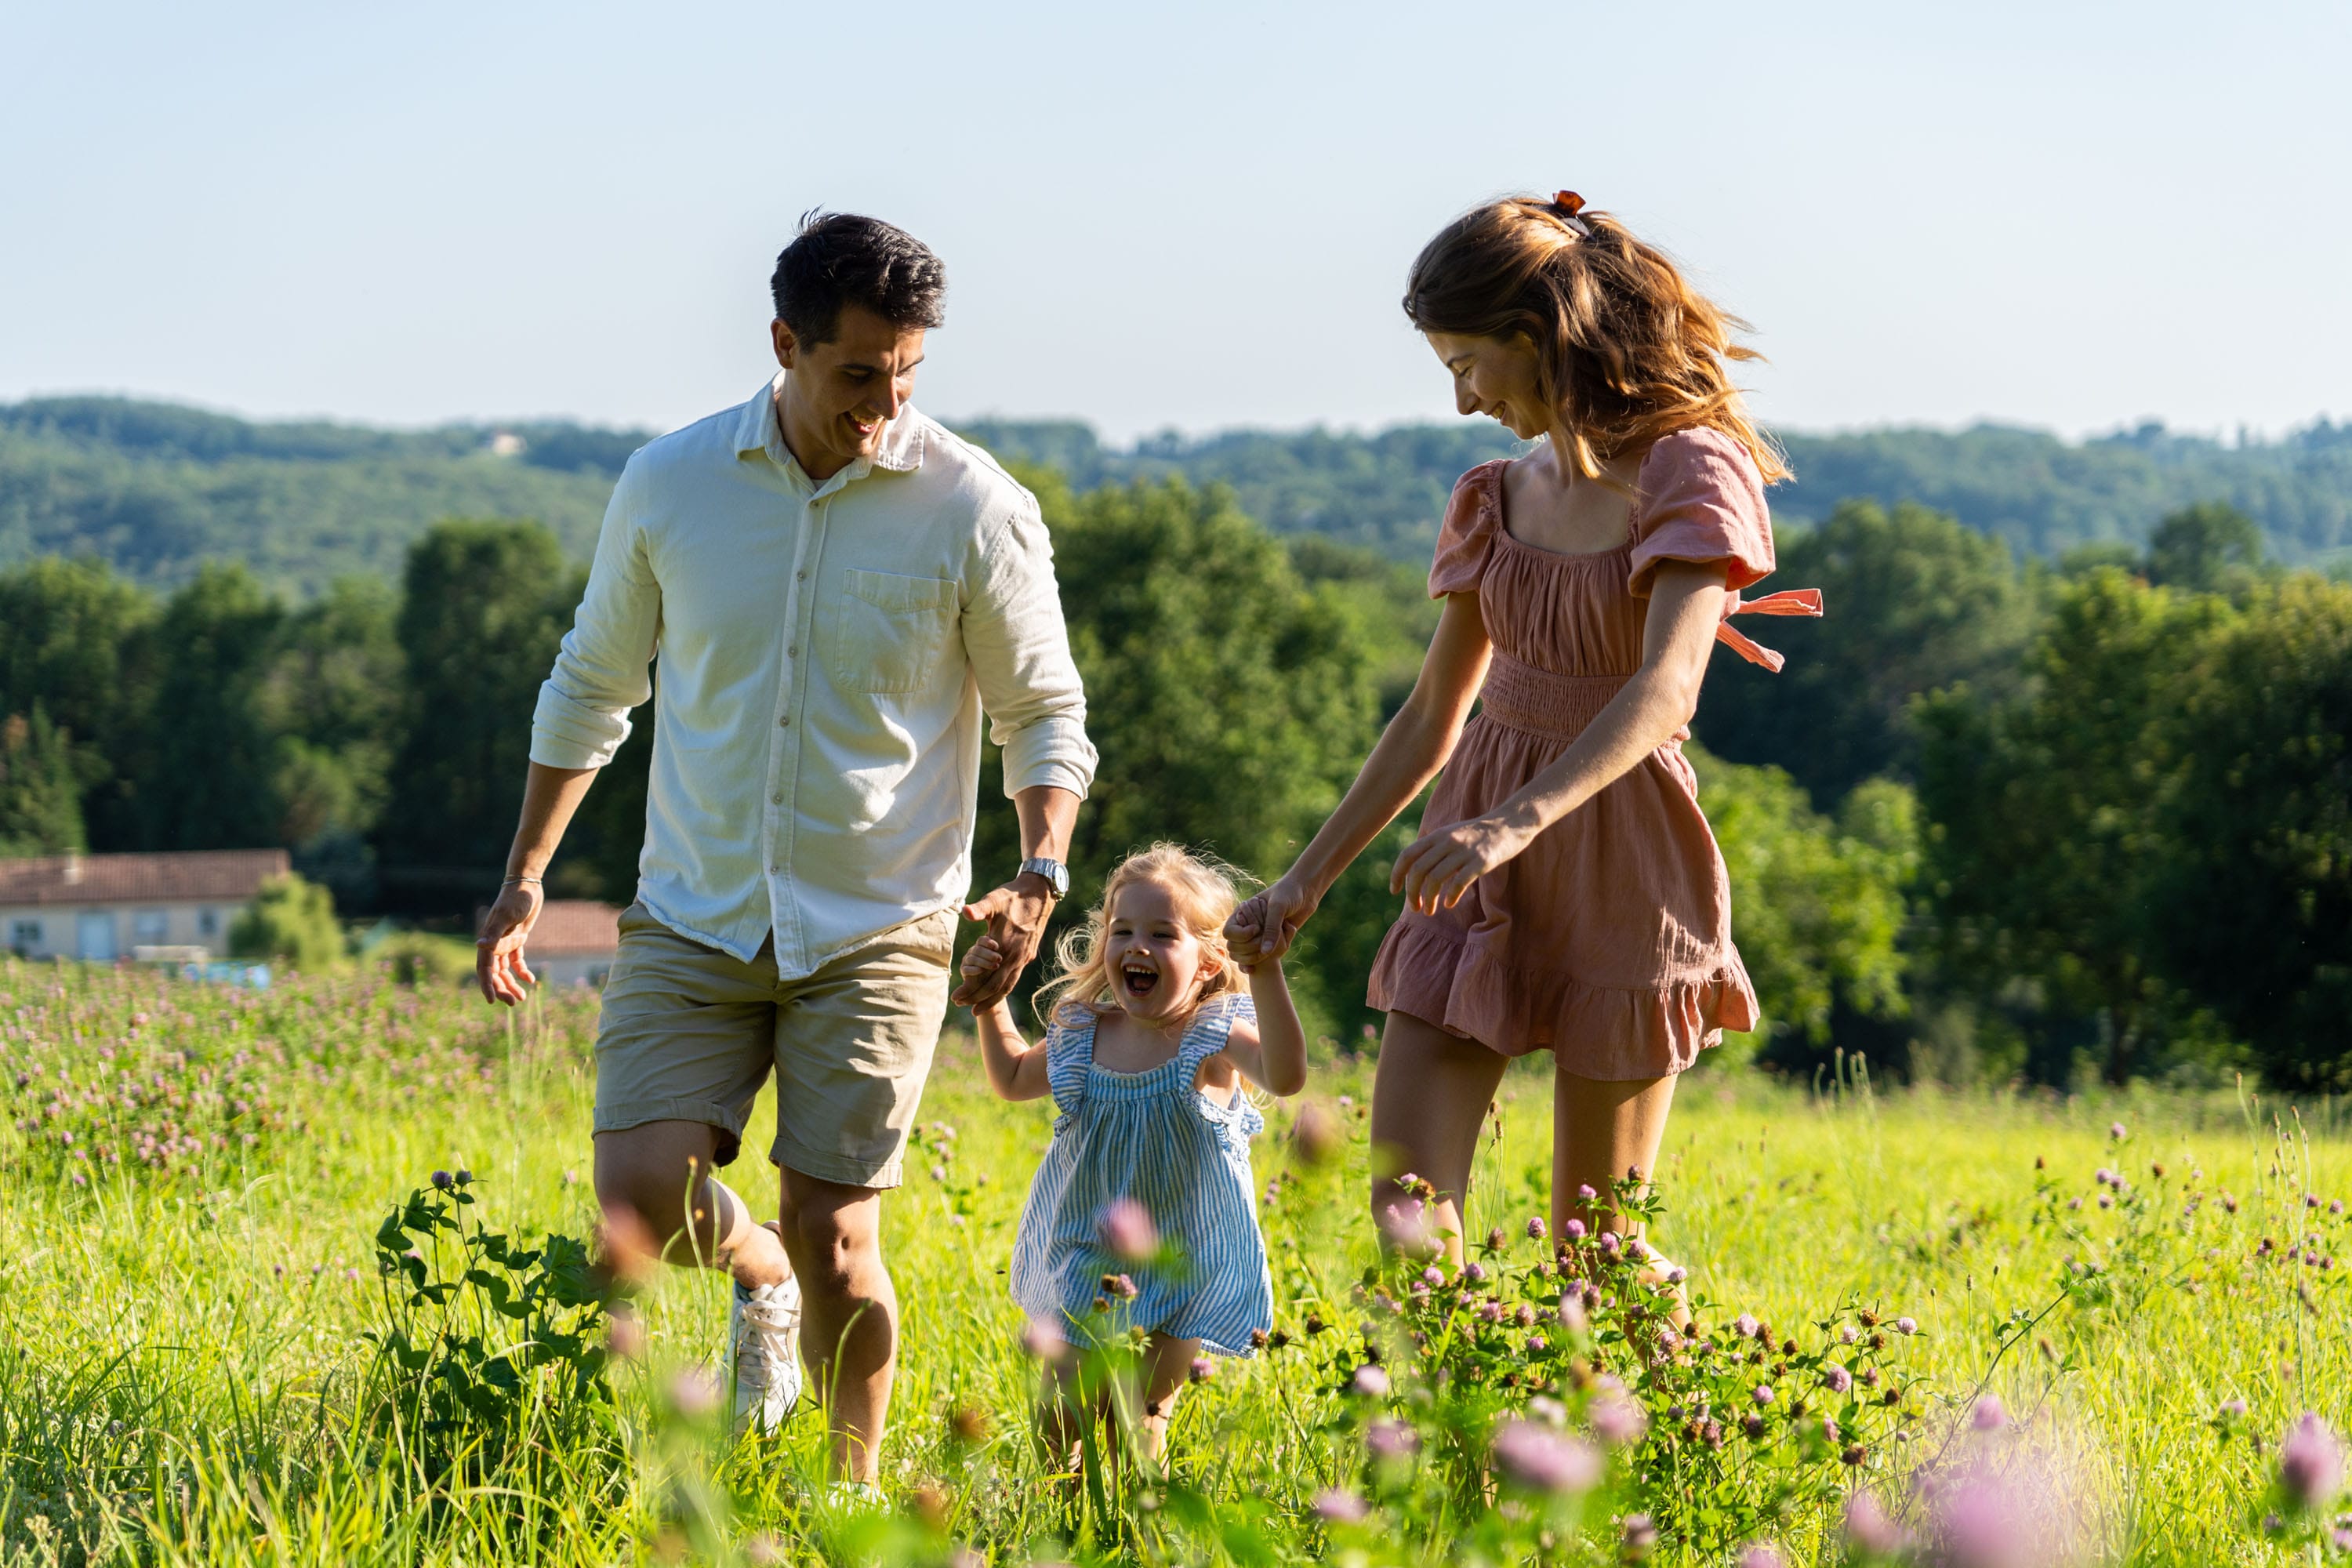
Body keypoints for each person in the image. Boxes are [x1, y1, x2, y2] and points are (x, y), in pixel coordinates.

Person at [473, 212, 1097, 1490]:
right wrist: (526, 877)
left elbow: (1043, 715)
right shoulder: (670, 484)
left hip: (880, 922)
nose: (884, 403)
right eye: (857, 373)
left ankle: (848, 1502)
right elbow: (593, 687)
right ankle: (750, 1275)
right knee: (637, 1204)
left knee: (839, 1231)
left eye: (908, 374)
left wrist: (1038, 877)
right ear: (785, 344)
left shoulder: (975, 506)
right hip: (695, 908)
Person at [1226, 191, 1817, 1271]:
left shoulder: (1690, 467)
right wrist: (1304, 882)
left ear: (1537, 339)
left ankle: (1660, 1435)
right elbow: (1431, 713)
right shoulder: (1492, 496)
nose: (1461, 401)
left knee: (1596, 1256)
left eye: (1467, 364)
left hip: (1620, 859)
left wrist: (1514, 822)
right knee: (1407, 1216)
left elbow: (1667, 689)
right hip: (1472, 867)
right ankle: (1462, 1439)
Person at [964, 844, 1306, 1465]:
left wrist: (1266, 970)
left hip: (1179, 1265)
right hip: (1083, 1255)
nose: (1136, 945)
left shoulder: (1215, 1035)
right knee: (1058, 1417)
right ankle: (1055, 1543)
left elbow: (1285, 1075)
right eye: (1122, 930)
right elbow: (1013, 1078)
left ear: (1208, 961)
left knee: (1138, 1424)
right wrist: (989, 1003)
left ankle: (1129, 1543)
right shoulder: (1085, 1032)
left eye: (1161, 933)